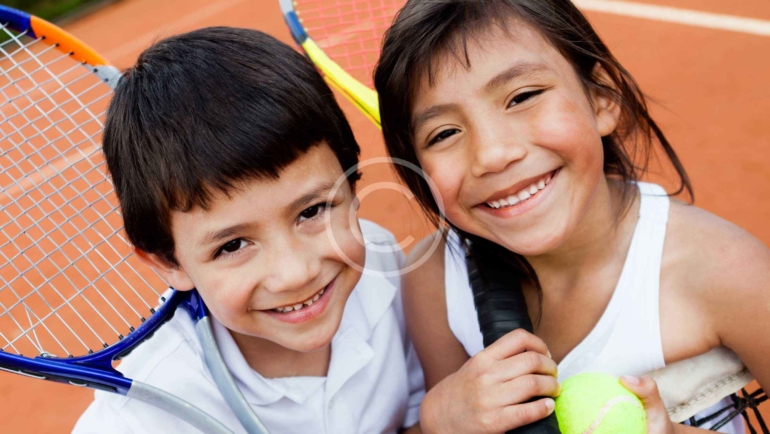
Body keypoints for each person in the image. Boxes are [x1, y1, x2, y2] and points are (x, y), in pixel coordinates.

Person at [373, 1, 769, 433]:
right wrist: (440, 422)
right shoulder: (435, 277)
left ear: (601, 98)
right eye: (444, 133)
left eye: (522, 97)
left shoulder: (727, 273)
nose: (491, 154)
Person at [73, 27, 424, 434]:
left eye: (311, 211)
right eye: (233, 245)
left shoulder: (384, 264)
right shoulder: (137, 417)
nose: (296, 272)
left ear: (352, 184)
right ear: (169, 261)